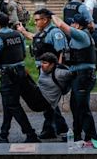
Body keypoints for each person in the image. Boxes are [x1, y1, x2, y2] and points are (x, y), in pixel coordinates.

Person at [17, 8, 69, 139]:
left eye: (37, 20)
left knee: (47, 101)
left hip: (52, 72)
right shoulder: (43, 32)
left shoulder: (55, 33)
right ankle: (58, 127)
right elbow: (35, 38)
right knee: (48, 101)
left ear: (45, 20)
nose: (35, 23)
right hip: (44, 71)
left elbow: (61, 53)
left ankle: (52, 128)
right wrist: (23, 31)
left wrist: (56, 72)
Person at [0, 13, 40, 143]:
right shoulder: (18, 35)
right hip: (22, 73)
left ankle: (30, 134)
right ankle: (3, 134)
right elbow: (23, 54)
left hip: (8, 76)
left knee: (12, 105)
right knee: (9, 105)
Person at [52, 13, 97, 142]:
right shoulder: (78, 36)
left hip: (84, 76)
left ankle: (92, 137)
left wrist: (51, 14)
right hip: (78, 76)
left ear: (77, 25)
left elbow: (60, 24)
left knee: (82, 108)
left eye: (72, 23)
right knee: (75, 106)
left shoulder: (81, 34)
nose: (71, 25)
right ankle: (77, 135)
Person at [20, 52, 73, 141]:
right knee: (25, 75)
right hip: (39, 94)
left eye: (45, 63)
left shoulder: (59, 73)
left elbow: (74, 73)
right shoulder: (42, 69)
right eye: (42, 62)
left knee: (20, 79)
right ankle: (50, 131)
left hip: (44, 101)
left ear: (52, 65)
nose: (42, 65)